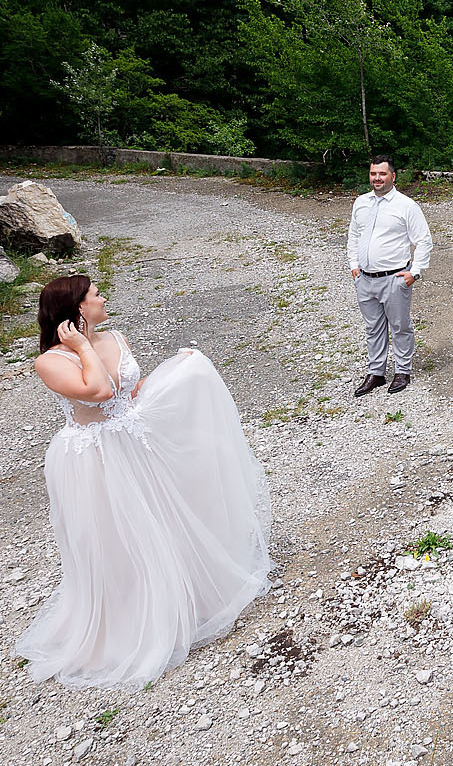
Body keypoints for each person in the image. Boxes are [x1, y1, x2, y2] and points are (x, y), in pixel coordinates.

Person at [17, 274, 271, 688]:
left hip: (133, 441)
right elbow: (98, 391)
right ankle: (128, 627)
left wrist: (181, 372)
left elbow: (128, 391)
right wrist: (83, 347)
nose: (103, 298)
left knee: (162, 519)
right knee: (117, 538)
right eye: (95, 294)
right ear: (79, 307)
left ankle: (182, 602)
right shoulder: (51, 361)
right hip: (94, 457)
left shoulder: (116, 337)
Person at [347, 153, 434, 396]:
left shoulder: (406, 206)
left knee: (400, 326)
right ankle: (376, 373)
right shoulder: (361, 203)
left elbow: (424, 241)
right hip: (365, 279)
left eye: (382, 174)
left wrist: (415, 272)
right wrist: (354, 266)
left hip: (395, 279)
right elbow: (354, 236)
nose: (377, 178)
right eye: (373, 173)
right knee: (373, 328)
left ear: (393, 176)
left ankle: (402, 371)